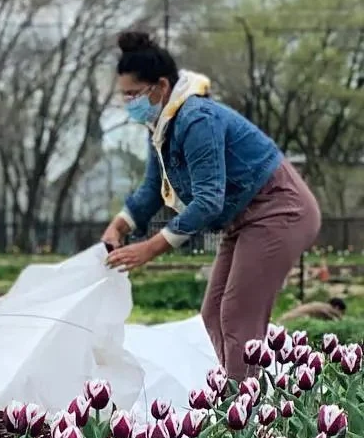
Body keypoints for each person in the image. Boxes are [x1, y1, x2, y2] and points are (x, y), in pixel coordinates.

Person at [102, 30, 320, 381]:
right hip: (242, 218)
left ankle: (247, 415)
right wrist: (121, 226)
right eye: (123, 95)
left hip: (279, 209)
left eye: (133, 94)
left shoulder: (196, 118)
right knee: (213, 313)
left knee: (236, 315)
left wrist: (151, 247)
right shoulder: (160, 125)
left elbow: (207, 199)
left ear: (159, 87)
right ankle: (243, 400)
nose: (128, 103)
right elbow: (152, 188)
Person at [280, 296, 347, 323]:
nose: (341, 315)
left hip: (286, 317)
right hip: (288, 321)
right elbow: (326, 313)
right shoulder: (327, 308)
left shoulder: (321, 305)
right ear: (337, 308)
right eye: (341, 313)